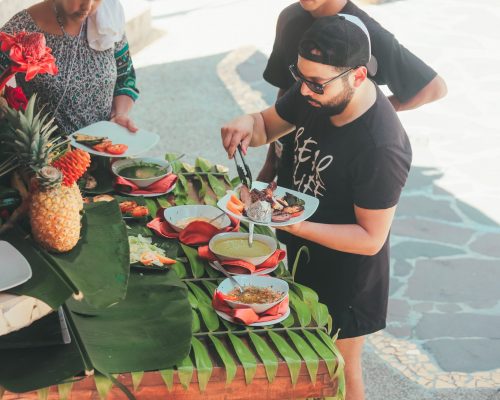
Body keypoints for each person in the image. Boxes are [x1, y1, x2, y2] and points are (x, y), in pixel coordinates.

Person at [221, 15, 412, 400]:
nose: (305, 90)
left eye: (316, 83)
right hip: (302, 252)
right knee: (302, 365)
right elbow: (266, 126)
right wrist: (247, 123)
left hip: (348, 277)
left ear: (358, 77)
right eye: (301, 76)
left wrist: (291, 223)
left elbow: (371, 238)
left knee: (338, 370)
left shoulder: (381, 146)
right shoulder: (316, 88)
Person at [257, 0, 446, 184]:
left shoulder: (367, 33)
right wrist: (270, 164)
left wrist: (376, 111)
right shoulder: (290, 18)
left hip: (333, 166)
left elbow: (434, 88)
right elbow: (285, 87)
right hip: (293, 149)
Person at [1, 0, 139, 135]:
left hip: (103, 147)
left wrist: (120, 113)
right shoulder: (24, 27)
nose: (88, 6)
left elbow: (125, 76)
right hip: (48, 153)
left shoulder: (108, 21)